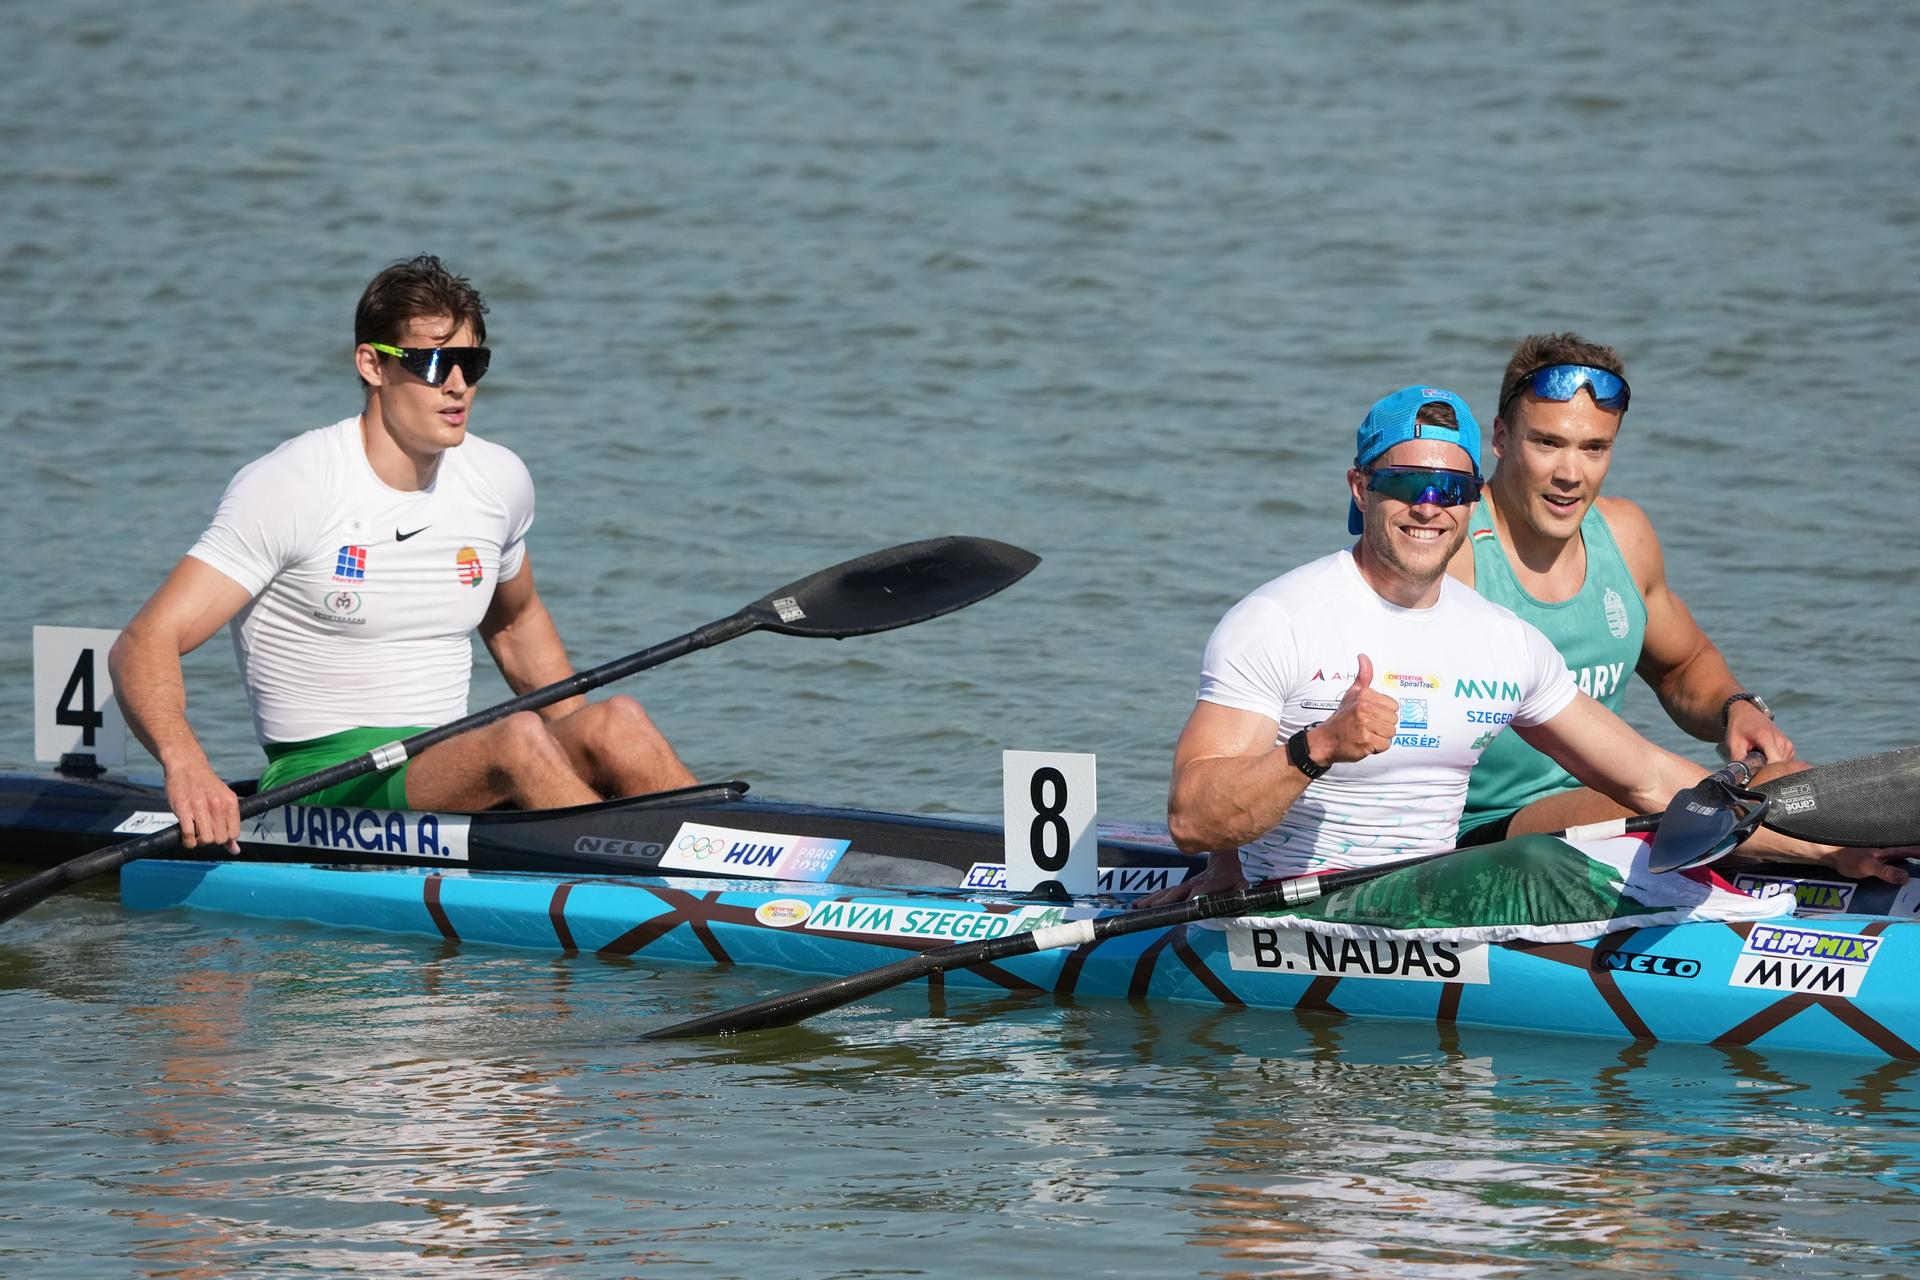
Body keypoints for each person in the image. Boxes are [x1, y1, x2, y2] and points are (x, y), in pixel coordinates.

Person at [1146, 385, 1902, 905]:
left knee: (1733, 795)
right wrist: (1317, 747)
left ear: (1472, 499)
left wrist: (1819, 851)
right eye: (1406, 484)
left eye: (1453, 490)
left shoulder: (1503, 641)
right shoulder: (1279, 620)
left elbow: (1647, 779)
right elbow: (1191, 820)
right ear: (1359, 488)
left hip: (1428, 902)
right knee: (1545, 861)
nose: (1429, 508)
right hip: (1292, 911)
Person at [110, 255, 695, 851]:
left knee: (617, 722)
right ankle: (638, 876)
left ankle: (722, 858)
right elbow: (145, 641)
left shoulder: (497, 478)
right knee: (518, 737)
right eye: (432, 362)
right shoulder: (293, 485)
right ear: (372, 365)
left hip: (451, 758)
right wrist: (187, 767)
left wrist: (582, 746)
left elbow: (516, 622)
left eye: (472, 363)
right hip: (324, 780)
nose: (457, 384)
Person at [1448, 333, 1792, 845]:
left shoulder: (1626, 536)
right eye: (1547, 443)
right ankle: (1819, 852)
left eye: (1594, 448)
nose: (1570, 474)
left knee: (1797, 786)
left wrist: (1734, 707)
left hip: (1621, 797)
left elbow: (1682, 666)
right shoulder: (1452, 547)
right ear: (1500, 438)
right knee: (1659, 804)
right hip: (1482, 829)